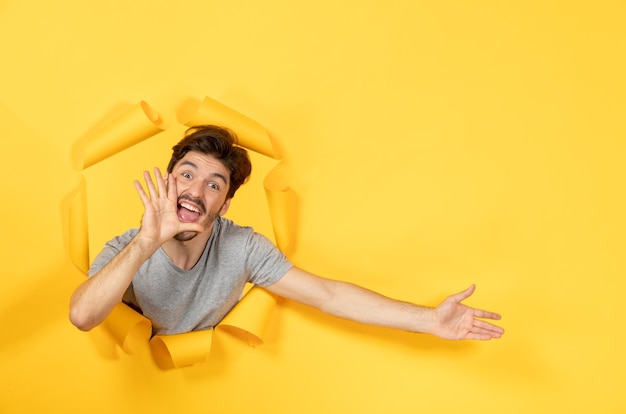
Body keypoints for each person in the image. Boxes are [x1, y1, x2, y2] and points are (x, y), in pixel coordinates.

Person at [69, 125, 505, 341]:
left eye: (214, 184)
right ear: (168, 183)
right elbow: (83, 316)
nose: (195, 191)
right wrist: (146, 243)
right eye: (186, 174)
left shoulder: (240, 246)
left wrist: (429, 319)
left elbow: (328, 296)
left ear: (225, 204)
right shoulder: (126, 249)